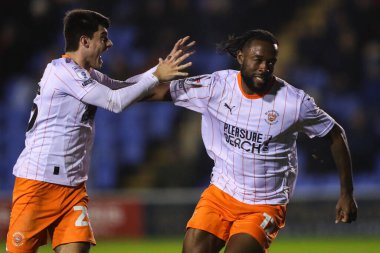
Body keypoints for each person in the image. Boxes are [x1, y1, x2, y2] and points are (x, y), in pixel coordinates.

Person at [6, 9, 194, 253]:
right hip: (38, 184)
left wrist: (157, 71)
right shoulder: (62, 71)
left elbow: (124, 88)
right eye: (103, 37)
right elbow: (115, 102)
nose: (110, 43)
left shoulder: (87, 75)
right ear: (85, 41)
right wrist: (157, 76)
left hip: (72, 188)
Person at [156, 29, 358, 253]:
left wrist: (346, 193)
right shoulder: (217, 86)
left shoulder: (294, 103)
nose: (265, 67)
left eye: (271, 62)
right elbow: (158, 92)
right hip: (221, 194)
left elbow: (335, 133)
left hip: (265, 204)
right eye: (258, 60)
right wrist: (118, 91)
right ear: (241, 57)